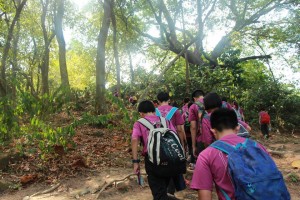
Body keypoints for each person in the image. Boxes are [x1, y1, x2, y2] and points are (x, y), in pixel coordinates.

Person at [191, 108, 290, 200]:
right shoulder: (257, 146)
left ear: (212, 130)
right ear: (237, 128)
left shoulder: (206, 155)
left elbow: (205, 197)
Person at [131, 100, 177, 200]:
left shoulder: (139, 123)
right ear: (154, 110)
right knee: (163, 190)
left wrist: (135, 162)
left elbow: (134, 139)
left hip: (152, 160)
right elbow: (174, 136)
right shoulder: (165, 121)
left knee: (158, 193)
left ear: (141, 113)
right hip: (169, 159)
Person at [156, 92, 186, 196]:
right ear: (169, 99)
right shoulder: (175, 111)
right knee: (173, 164)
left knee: (160, 163)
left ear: (158, 101)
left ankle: (162, 190)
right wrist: (182, 144)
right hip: (173, 142)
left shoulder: (154, 112)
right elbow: (179, 129)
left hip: (159, 142)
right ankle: (170, 191)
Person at [188, 89, 205, 158]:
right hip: (217, 137)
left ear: (194, 98)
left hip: (201, 138)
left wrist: (193, 145)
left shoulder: (193, 107)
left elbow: (193, 127)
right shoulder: (213, 102)